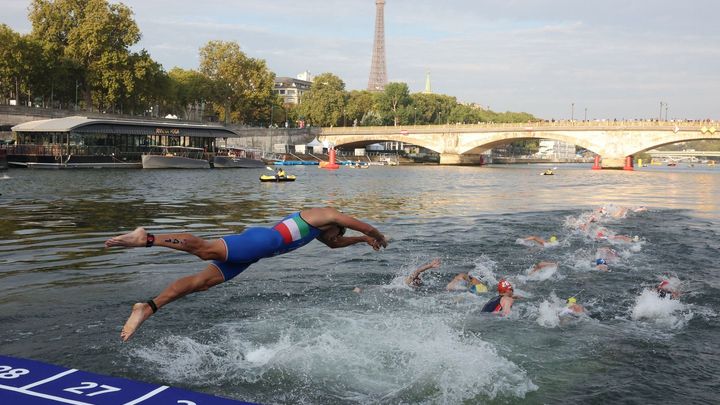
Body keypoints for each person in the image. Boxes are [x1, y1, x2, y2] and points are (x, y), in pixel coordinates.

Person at [105, 207, 388, 342]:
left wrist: (362, 242)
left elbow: (336, 243)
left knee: (201, 283)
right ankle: (147, 238)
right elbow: (359, 224)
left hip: (253, 255)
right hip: (258, 243)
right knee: (205, 250)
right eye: (336, 234)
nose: (334, 238)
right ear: (332, 226)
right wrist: (376, 235)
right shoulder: (325, 215)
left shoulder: (321, 234)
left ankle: (147, 308)